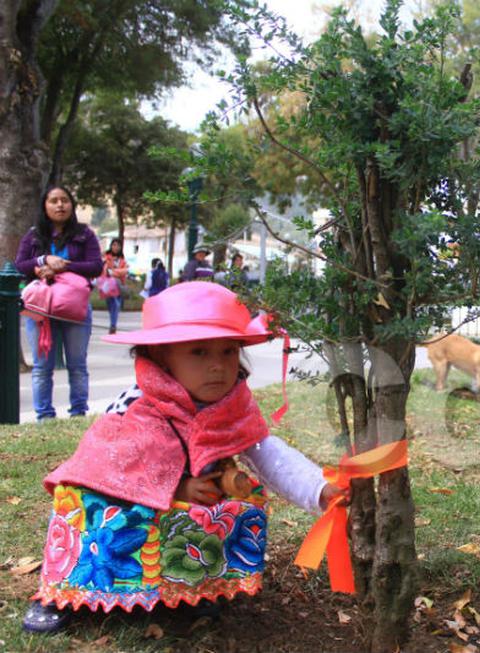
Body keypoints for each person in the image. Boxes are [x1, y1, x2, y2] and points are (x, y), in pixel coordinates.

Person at [21, 282, 347, 634]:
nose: (218, 366)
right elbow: (105, 466)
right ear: (161, 356)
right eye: (198, 352)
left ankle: (196, 585)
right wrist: (176, 487)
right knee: (84, 508)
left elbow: (267, 453)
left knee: (236, 508)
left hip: (189, 508)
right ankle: (62, 593)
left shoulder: (233, 404)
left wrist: (319, 490)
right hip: (124, 500)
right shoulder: (136, 406)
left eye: (228, 351)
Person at [15, 186, 102, 421]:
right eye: (54, 201)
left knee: (77, 365)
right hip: (41, 309)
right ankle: (44, 416)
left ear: (72, 205)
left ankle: (78, 414)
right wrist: (42, 261)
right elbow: (19, 265)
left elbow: (96, 266)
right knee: (42, 367)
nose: (60, 205)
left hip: (75, 309)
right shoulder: (34, 235)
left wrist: (63, 266)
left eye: (65, 200)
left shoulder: (84, 234)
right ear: (45, 206)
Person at [101, 238, 129, 334]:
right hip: (108, 285)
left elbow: (125, 271)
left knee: (116, 305)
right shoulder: (106, 257)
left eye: (118, 245)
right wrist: (118, 272)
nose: (116, 247)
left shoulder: (122, 260)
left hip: (119, 286)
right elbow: (105, 270)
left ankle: (113, 325)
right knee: (111, 305)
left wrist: (113, 272)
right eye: (114, 245)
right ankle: (113, 324)